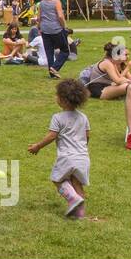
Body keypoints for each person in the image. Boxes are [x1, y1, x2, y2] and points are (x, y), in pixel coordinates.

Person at [27, 79, 91, 220]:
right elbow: (87, 136)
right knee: (77, 182)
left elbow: (51, 136)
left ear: (63, 100)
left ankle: (73, 199)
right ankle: (80, 214)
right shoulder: (83, 117)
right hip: (83, 157)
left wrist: (38, 146)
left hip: (66, 157)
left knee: (57, 180)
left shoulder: (58, 118)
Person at [37, 0, 70, 80]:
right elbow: (60, 16)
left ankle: (52, 74)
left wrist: (39, 27)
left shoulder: (41, 3)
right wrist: (64, 26)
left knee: (49, 52)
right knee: (65, 50)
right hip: (56, 29)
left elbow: (39, 18)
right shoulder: (57, 2)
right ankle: (54, 68)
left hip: (45, 30)